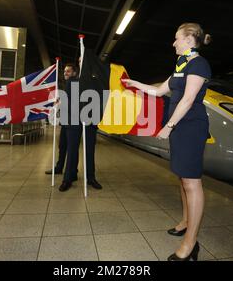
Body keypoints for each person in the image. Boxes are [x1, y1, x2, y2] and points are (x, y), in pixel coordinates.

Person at [123, 23, 211, 261]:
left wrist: (168, 126)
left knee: (192, 182)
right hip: (180, 127)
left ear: (189, 39)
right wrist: (135, 84)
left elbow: (188, 99)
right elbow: (159, 91)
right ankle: (185, 222)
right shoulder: (181, 65)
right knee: (183, 178)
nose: (173, 43)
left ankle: (191, 244)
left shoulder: (199, 64)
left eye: (176, 39)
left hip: (190, 126)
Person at [59, 59, 102, 192]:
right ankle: (68, 178)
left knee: (90, 150)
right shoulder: (71, 82)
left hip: (89, 121)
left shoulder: (96, 82)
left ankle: (91, 177)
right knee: (72, 150)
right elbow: (66, 100)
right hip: (73, 121)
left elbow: (100, 99)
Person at [45, 63, 78, 175]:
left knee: (69, 147)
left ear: (74, 73)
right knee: (63, 145)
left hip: (71, 121)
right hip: (66, 121)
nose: (65, 73)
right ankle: (61, 167)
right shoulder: (69, 84)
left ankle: (70, 170)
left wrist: (60, 102)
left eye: (68, 71)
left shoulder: (73, 82)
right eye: (64, 71)